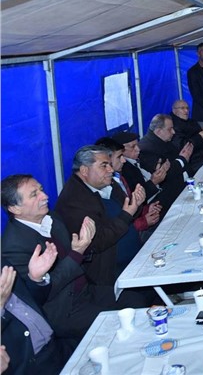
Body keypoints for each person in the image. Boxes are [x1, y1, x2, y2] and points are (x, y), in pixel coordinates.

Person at [1, 174, 123, 341]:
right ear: (15, 208)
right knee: (117, 322)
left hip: (86, 291)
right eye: (34, 194)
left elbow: (73, 258)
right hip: (64, 310)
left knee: (133, 296)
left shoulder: (52, 219)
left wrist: (83, 245)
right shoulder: (13, 246)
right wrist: (77, 252)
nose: (45, 196)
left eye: (41, 190)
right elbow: (43, 293)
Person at [53, 145, 145, 286]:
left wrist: (136, 204)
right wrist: (127, 214)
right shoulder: (73, 200)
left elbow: (127, 214)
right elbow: (96, 241)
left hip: (134, 259)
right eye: (104, 166)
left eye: (110, 165)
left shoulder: (108, 183)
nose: (111, 170)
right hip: (110, 274)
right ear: (84, 170)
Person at [0, 259, 75, 375]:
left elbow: (29, 303)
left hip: (57, 346)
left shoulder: (3, 264)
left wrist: (36, 279)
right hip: (30, 366)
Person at [95, 137, 161, 247]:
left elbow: (130, 207)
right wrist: (144, 222)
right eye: (119, 157)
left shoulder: (119, 178)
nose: (124, 160)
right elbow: (115, 223)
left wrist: (145, 209)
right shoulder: (104, 189)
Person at [138, 114, 194, 206]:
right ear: (158, 131)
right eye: (170, 129)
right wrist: (182, 159)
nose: (173, 132)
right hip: (168, 197)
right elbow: (166, 174)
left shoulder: (163, 141)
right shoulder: (147, 149)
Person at [111, 131, 170, 205]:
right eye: (133, 147)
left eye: (137, 145)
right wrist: (153, 182)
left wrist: (159, 170)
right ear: (121, 151)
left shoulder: (141, 157)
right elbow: (136, 197)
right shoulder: (124, 169)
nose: (138, 149)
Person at [170, 99, 203, 173]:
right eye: (182, 108)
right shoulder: (173, 125)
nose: (186, 111)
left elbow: (202, 136)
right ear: (174, 110)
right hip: (195, 160)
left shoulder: (191, 121)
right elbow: (183, 146)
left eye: (187, 108)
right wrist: (200, 137)